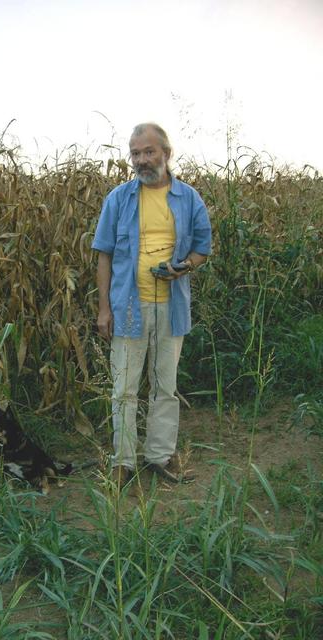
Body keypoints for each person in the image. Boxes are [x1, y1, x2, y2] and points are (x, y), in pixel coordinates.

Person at [91, 122, 211, 486]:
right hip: (129, 306)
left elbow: (202, 248)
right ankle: (123, 462)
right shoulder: (119, 199)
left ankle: (159, 457)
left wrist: (185, 266)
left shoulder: (188, 198)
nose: (142, 160)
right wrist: (103, 309)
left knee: (165, 386)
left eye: (149, 152)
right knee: (124, 389)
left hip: (171, 307)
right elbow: (104, 255)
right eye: (136, 154)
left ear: (166, 154)